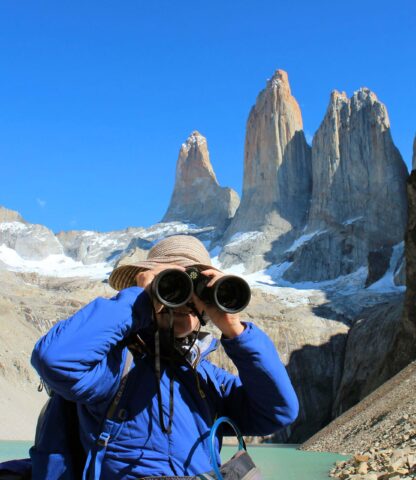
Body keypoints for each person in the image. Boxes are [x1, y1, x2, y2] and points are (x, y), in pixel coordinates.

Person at [30, 235, 299, 479]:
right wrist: (140, 300)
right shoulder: (115, 368)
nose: (183, 304)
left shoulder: (208, 380)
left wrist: (234, 329)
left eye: (197, 294)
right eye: (172, 289)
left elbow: (278, 412)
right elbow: (55, 360)